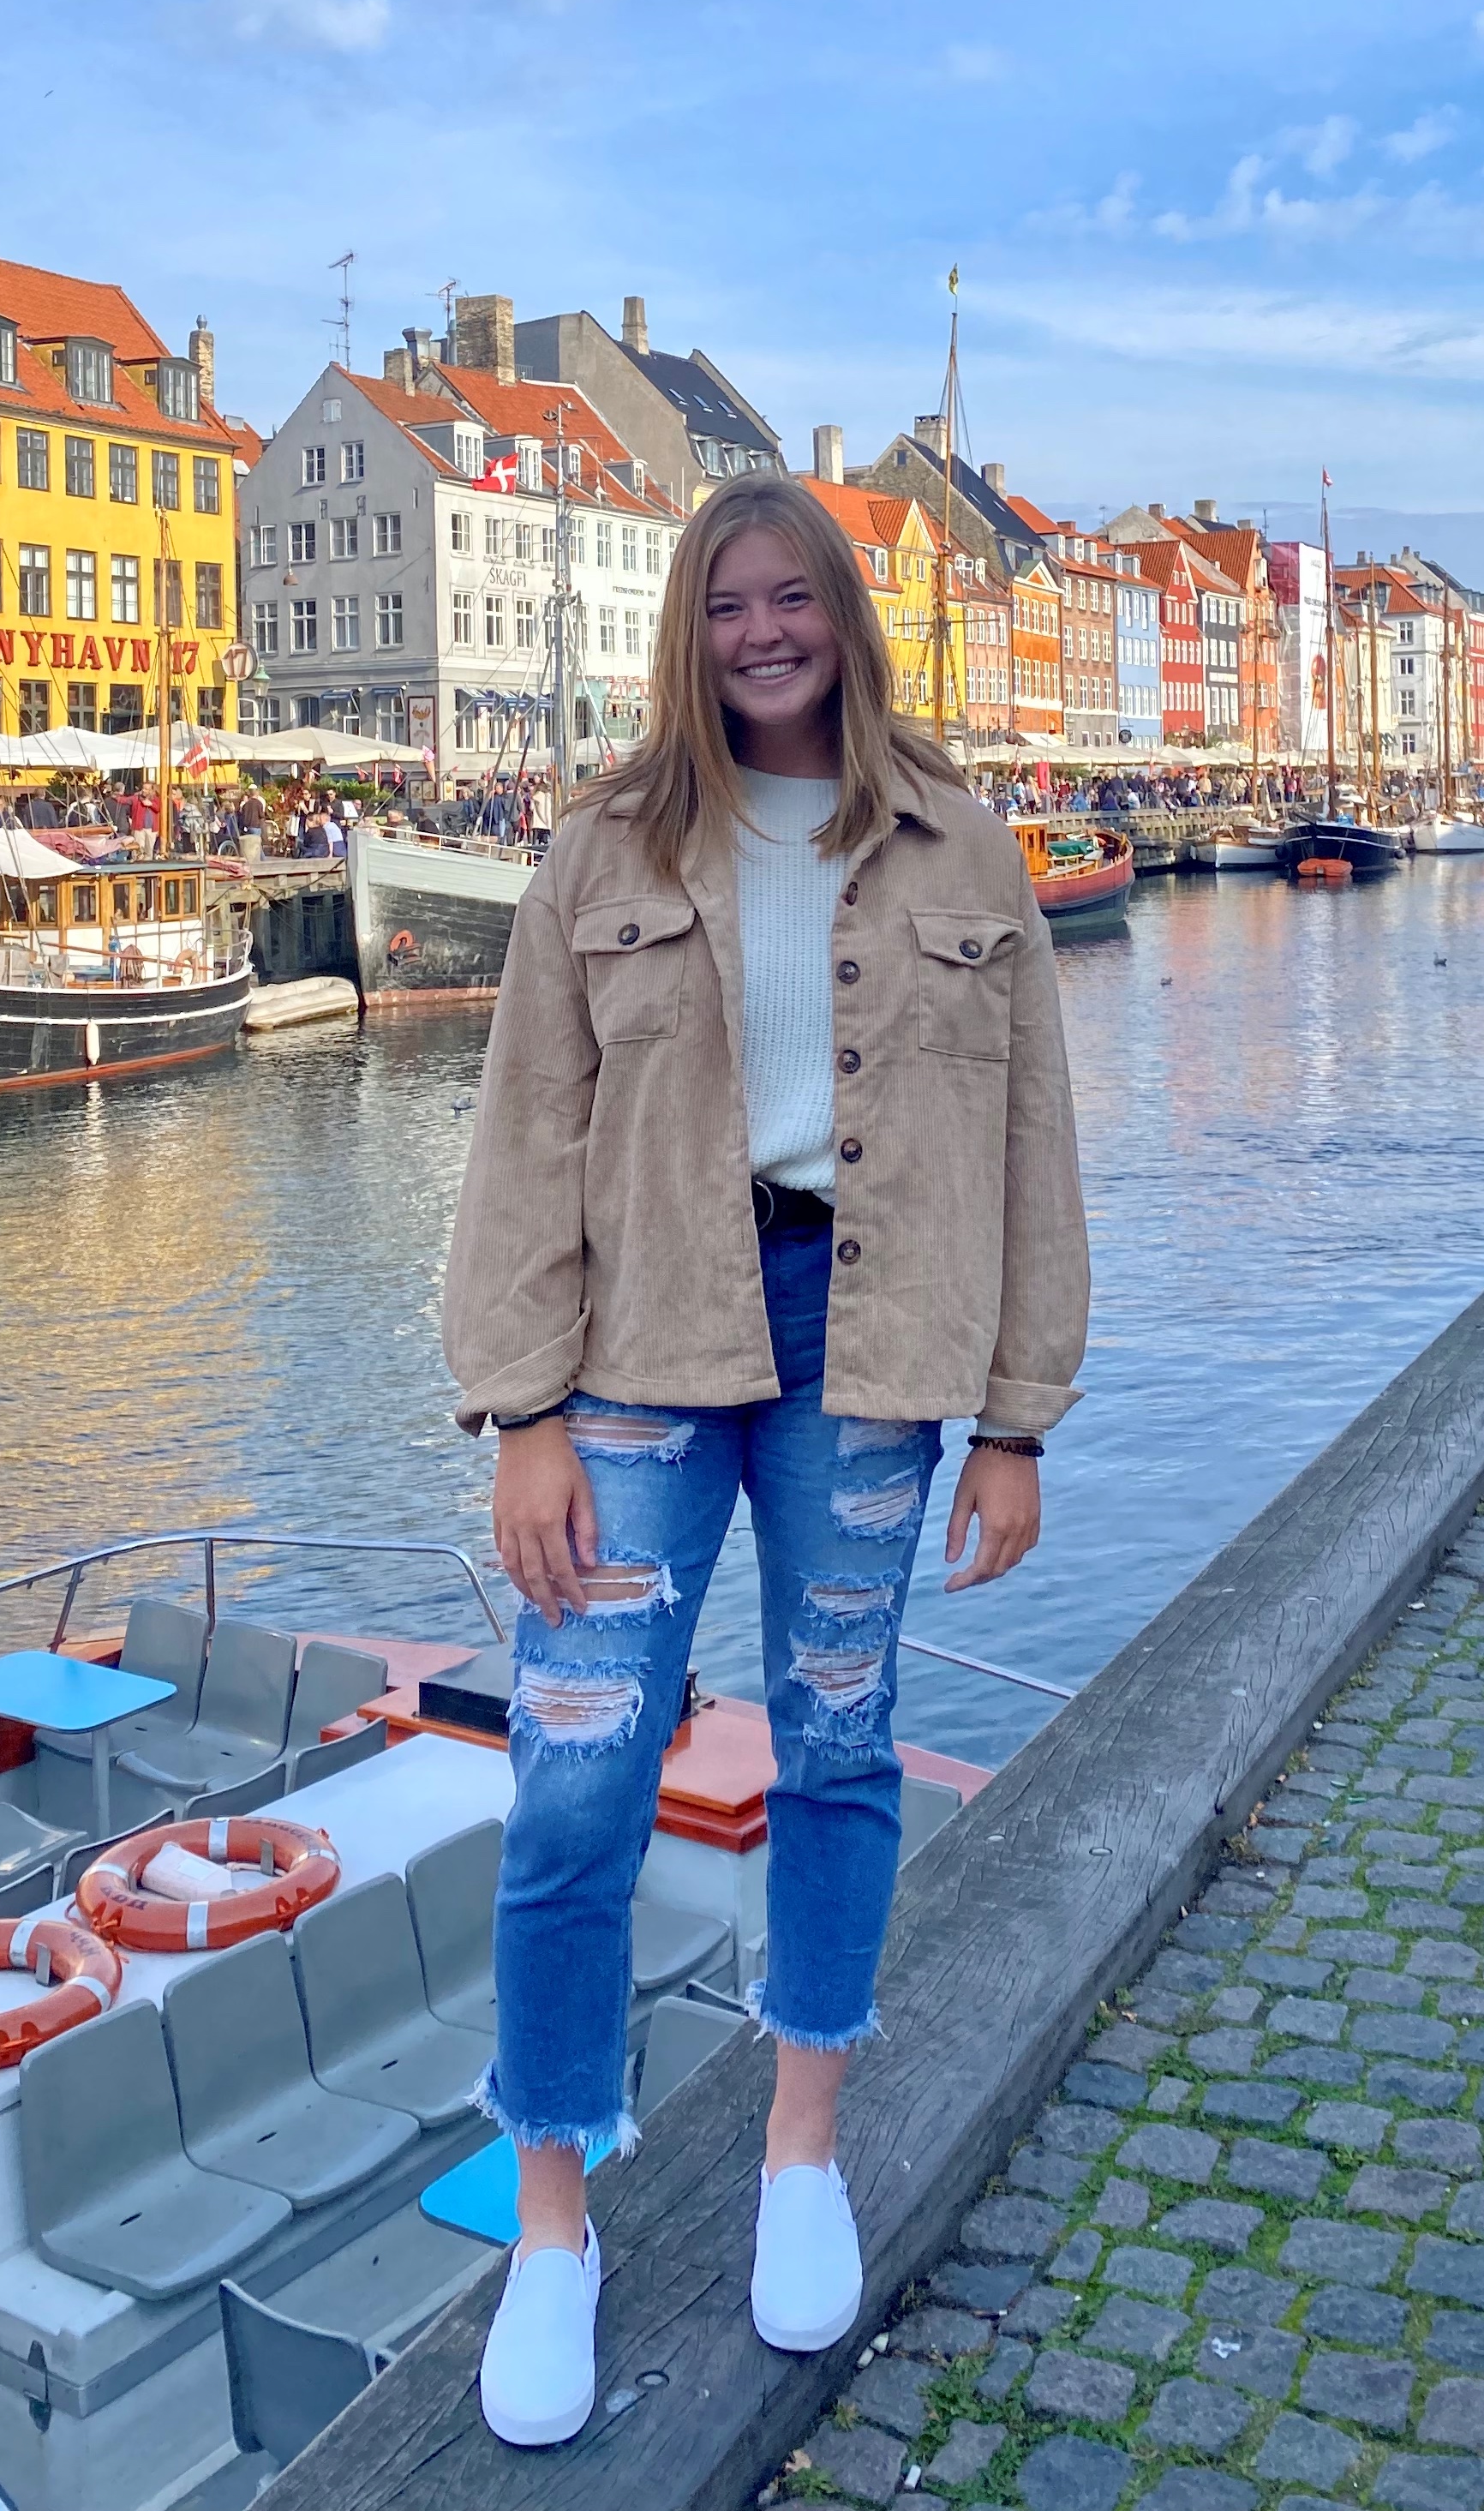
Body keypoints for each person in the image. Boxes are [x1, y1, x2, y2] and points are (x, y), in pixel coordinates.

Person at [443, 472, 1088, 2447]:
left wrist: (1017, 1421)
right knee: (572, 1784)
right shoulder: (606, 848)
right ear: (688, 631)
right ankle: (554, 2215)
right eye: (725, 604)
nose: (760, 632)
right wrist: (523, 1411)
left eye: (789, 596)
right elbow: (522, 1134)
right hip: (640, 1349)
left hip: (870, 1347)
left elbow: (1031, 1145)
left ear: (842, 613)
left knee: (836, 1743)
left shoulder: (965, 844)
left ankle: (797, 2147)